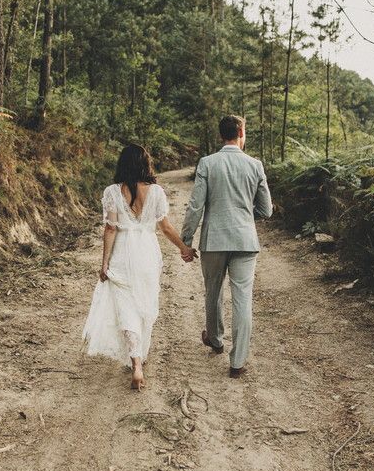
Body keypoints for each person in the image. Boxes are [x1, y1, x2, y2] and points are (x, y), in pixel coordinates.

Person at [82, 144, 197, 391]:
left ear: (122, 164)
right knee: (144, 302)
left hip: (123, 252)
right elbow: (165, 227)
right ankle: (139, 356)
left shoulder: (113, 192)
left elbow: (111, 228)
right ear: (146, 164)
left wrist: (104, 263)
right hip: (146, 251)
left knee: (126, 305)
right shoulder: (155, 192)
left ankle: (136, 362)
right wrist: (184, 248)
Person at [181, 115, 273, 379]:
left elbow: (196, 205)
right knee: (243, 299)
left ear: (221, 134)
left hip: (214, 239)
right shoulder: (255, 165)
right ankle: (238, 362)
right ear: (241, 132)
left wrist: (186, 239)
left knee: (213, 291)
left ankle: (216, 340)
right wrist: (244, 216)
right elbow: (266, 210)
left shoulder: (208, 163)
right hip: (245, 240)